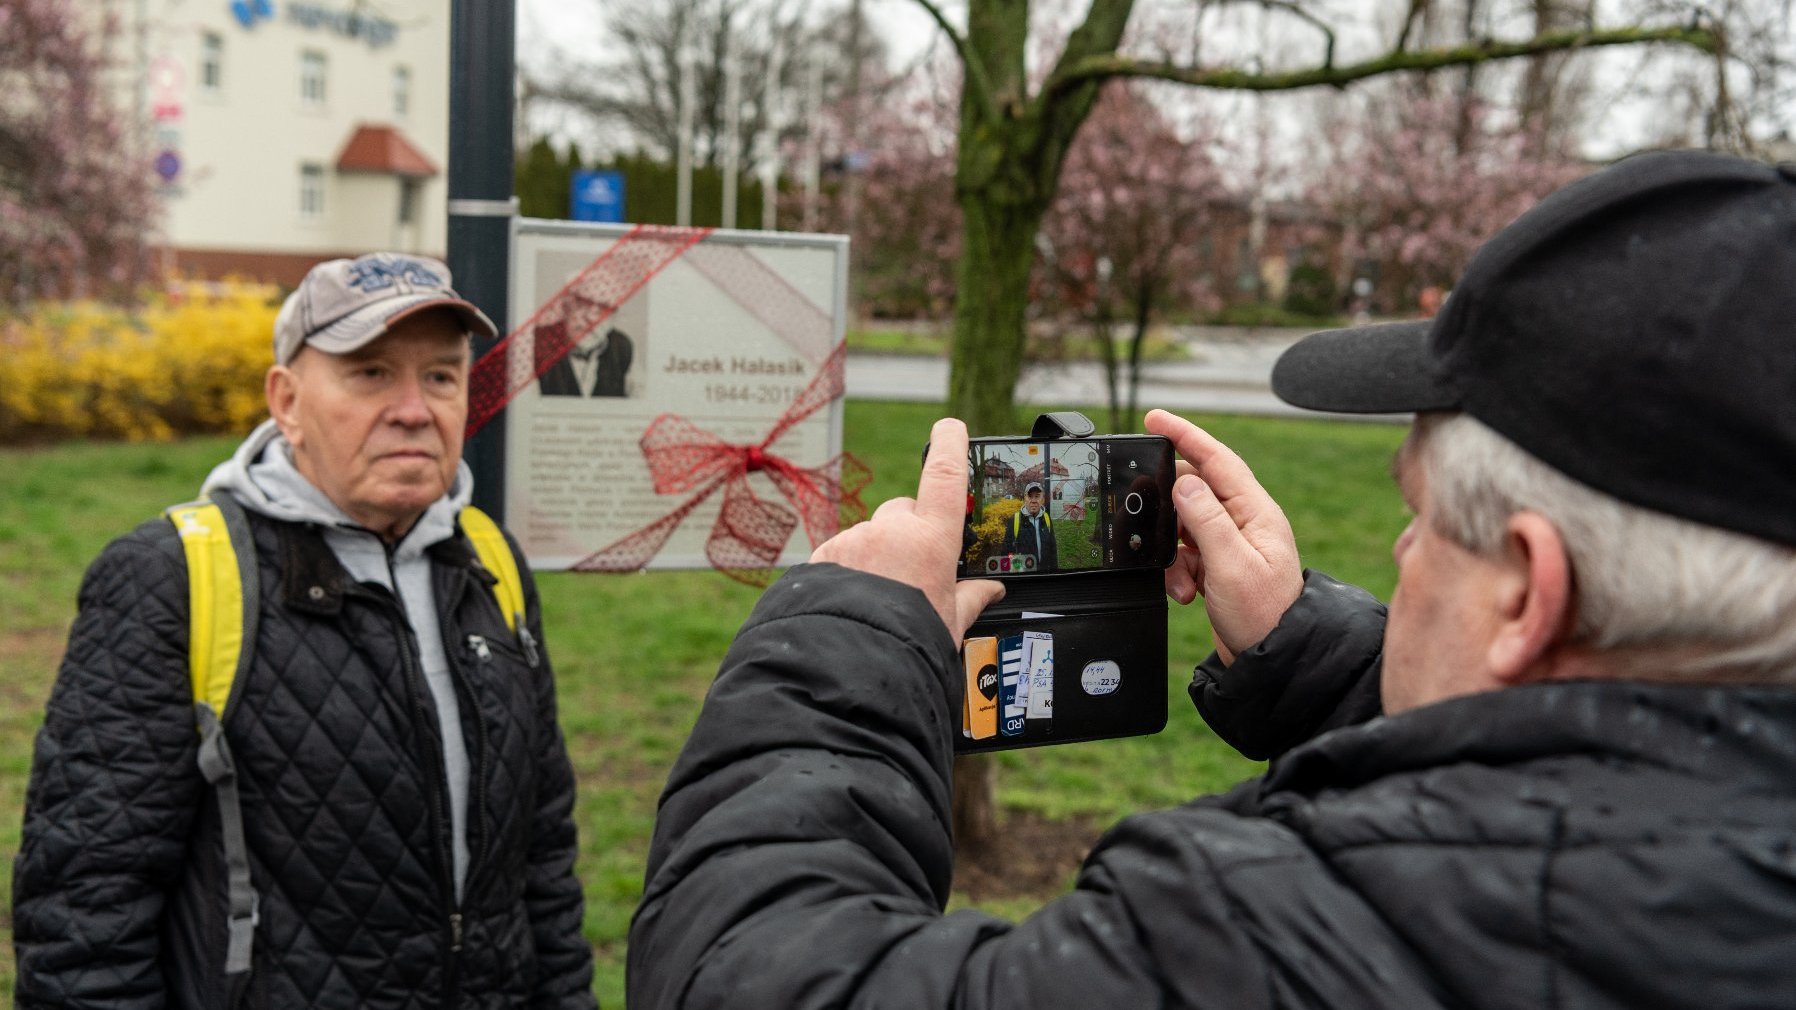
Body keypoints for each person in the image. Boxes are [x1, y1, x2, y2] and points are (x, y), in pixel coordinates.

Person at [627, 150, 1796, 1008]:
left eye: (1420, 518)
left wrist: (848, 637)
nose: (1397, 552)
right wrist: (1310, 653)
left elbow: (749, 971)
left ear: (1525, 594)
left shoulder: (1270, 936)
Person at [13, 253, 598, 1009]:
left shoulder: (489, 561)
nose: (414, 409)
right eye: (372, 374)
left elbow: (542, 859)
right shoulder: (176, 579)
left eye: (441, 377)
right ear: (286, 401)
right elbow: (84, 906)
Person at [998, 480, 1057, 572]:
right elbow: (1005, 553)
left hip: (1044, 575)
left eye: (1037, 496)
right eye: (1030, 496)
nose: (1033, 501)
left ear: (1043, 499)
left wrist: (1054, 572)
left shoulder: (1047, 518)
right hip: (1023, 577)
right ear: (1024, 498)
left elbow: (1053, 549)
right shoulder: (1014, 520)